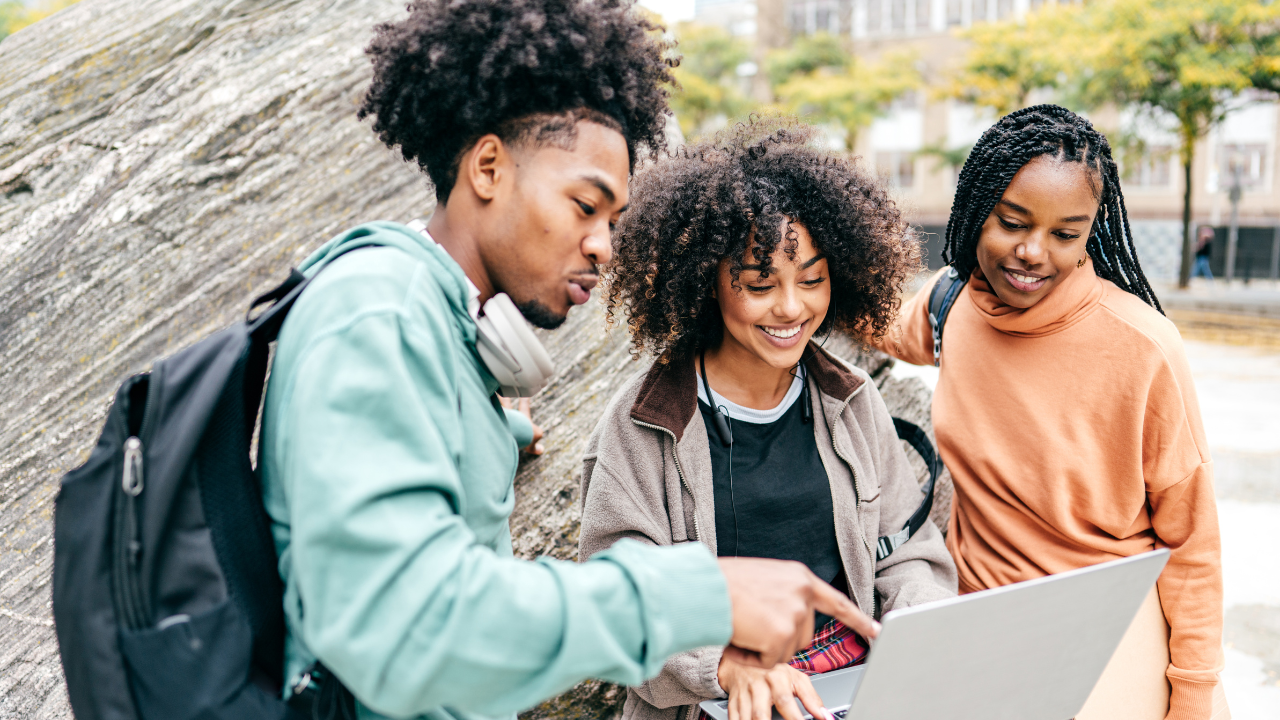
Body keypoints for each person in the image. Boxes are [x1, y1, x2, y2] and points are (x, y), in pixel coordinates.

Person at [257, 3, 877, 720]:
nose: (604, 247)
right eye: (586, 205)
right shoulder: (377, 316)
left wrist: (497, 431)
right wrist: (704, 595)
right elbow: (409, 630)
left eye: (613, 222)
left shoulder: (439, 338)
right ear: (488, 167)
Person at [579, 121, 957, 720]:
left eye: (812, 279)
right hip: (717, 693)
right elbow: (617, 601)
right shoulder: (641, 426)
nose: (790, 307)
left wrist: (916, 630)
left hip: (854, 684)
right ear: (707, 283)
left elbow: (909, 554)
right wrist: (726, 665)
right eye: (759, 284)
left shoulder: (852, 401)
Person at [876, 105, 1223, 720]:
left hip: (1108, 625)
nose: (1033, 252)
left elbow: (1192, 541)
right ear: (976, 209)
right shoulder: (952, 304)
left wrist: (1192, 695)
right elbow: (866, 321)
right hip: (978, 620)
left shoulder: (1143, 346)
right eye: (1012, 223)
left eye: (1066, 234)